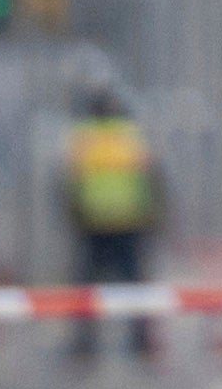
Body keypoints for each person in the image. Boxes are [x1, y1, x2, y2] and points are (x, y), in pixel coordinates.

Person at [60, 83, 163, 366]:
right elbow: (153, 181)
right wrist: (154, 219)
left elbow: (71, 184)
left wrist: (74, 217)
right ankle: (142, 344)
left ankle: (85, 346)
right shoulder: (131, 138)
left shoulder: (83, 139)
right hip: (129, 223)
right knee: (135, 289)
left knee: (87, 291)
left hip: (93, 225)